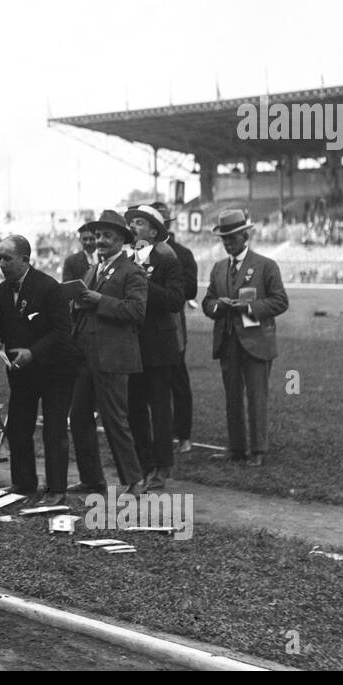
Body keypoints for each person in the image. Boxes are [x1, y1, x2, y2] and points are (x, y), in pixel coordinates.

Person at [0, 235, 80, 506]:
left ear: (25, 259)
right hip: (21, 372)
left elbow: (62, 331)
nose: (1, 263)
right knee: (18, 426)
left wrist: (33, 352)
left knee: (54, 429)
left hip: (55, 370)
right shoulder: (4, 289)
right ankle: (23, 483)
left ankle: (56, 490)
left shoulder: (49, 287)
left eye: (7, 258)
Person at [67, 210, 147, 495]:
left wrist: (100, 300)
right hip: (86, 355)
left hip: (113, 357)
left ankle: (135, 480)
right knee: (79, 418)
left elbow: (137, 311)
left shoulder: (132, 272)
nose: (100, 240)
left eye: (107, 236)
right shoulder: (93, 270)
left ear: (122, 240)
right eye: (98, 235)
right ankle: (91, 478)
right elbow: (84, 306)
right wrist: (75, 303)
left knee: (115, 420)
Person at [202, 208, 289, 467]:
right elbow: (207, 302)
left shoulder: (265, 265)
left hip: (256, 342)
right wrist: (218, 306)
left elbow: (280, 301)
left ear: (245, 236)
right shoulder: (218, 268)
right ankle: (236, 448)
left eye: (232, 238)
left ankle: (258, 450)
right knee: (232, 398)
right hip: (228, 341)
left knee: (256, 397)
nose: (228, 243)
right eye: (224, 238)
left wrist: (249, 308)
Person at [124, 206, 185, 490]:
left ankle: (163, 465)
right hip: (131, 345)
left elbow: (176, 300)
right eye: (132, 222)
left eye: (139, 222)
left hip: (159, 346)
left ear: (153, 231)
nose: (133, 227)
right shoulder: (126, 261)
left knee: (160, 409)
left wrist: (144, 284)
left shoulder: (167, 260)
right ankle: (144, 463)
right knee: (134, 408)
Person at [154, 201, 198, 457]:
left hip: (172, 324)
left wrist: (167, 284)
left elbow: (190, 290)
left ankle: (184, 435)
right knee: (150, 383)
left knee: (177, 379)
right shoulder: (139, 252)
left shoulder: (181, 253)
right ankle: (160, 433)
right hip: (145, 326)